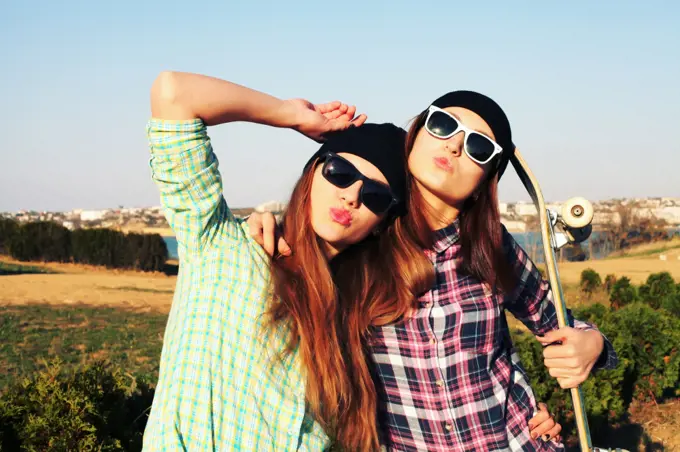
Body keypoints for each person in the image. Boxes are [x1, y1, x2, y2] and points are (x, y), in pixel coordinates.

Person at [248, 90, 617, 450]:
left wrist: (593, 344)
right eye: (443, 124)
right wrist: (263, 226)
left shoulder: (491, 248)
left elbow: (560, 324)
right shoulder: (364, 233)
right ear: (417, 133)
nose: (455, 146)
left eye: (478, 147)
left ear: (484, 182)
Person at [142, 70, 419, 450]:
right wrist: (290, 114)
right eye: (340, 173)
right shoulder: (223, 244)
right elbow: (173, 93)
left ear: (380, 224)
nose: (351, 196)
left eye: (374, 196)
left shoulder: (357, 315)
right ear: (312, 173)